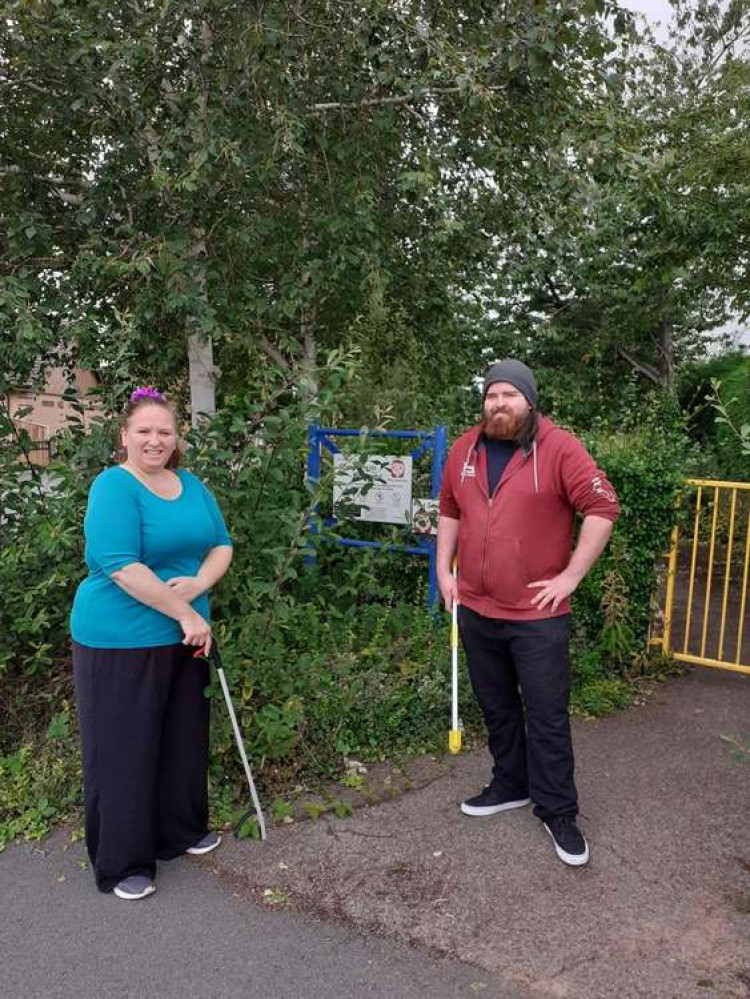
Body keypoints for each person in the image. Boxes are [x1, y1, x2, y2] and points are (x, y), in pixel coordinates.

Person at [437, 360, 618, 866]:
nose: (499, 403)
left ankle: (559, 811)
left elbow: (603, 508)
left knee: (546, 715)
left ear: (529, 401)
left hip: (537, 617)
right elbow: (449, 509)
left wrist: (571, 577)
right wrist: (444, 572)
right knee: (496, 707)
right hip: (475, 606)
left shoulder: (559, 447)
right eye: (492, 395)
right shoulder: (464, 449)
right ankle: (510, 783)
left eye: (509, 395)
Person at [70, 386, 234, 900]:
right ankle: (124, 862)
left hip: (184, 635)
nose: (154, 440)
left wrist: (201, 587)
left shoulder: (190, 484)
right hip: (120, 638)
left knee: (181, 739)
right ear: (124, 436)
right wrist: (186, 611)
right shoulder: (114, 487)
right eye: (144, 430)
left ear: (177, 437)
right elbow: (120, 565)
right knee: (125, 749)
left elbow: (221, 545)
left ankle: (178, 831)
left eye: (164, 431)